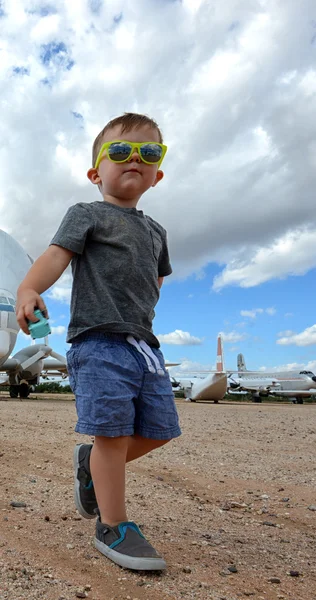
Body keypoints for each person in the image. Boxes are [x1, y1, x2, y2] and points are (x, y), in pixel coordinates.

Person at [16, 112, 181, 571]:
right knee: (113, 433)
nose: (135, 159)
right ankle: (113, 524)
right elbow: (54, 256)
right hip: (97, 340)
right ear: (96, 173)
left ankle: (91, 464)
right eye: (121, 151)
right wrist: (30, 289)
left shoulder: (157, 232)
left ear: (157, 173)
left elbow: (156, 279)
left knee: (159, 430)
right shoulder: (86, 214)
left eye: (149, 153)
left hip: (143, 344)